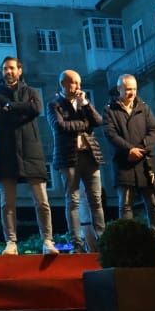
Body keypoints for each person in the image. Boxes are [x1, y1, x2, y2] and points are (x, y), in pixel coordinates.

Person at [0, 56, 56, 255]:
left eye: (11, 68)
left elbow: (36, 108)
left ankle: (48, 241)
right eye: (4, 69)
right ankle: (11, 242)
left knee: (42, 201)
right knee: (7, 202)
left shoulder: (32, 92)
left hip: (31, 151)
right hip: (7, 152)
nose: (8, 72)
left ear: (20, 70)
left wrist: (11, 107)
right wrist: (21, 109)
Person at [50, 69, 106, 252]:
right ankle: (77, 243)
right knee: (72, 200)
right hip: (69, 158)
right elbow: (60, 127)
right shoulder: (55, 104)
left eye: (79, 82)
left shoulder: (84, 103)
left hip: (90, 156)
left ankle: (102, 240)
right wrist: (84, 124)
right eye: (74, 82)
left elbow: (98, 121)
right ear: (63, 84)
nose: (78, 86)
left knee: (96, 199)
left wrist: (86, 105)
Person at [105, 74, 155, 239]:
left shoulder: (144, 107)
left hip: (145, 163)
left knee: (153, 204)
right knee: (125, 205)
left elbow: (154, 131)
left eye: (134, 89)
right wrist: (129, 150)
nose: (132, 93)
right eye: (128, 89)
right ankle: (128, 241)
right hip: (124, 163)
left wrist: (141, 149)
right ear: (119, 89)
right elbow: (111, 134)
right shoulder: (110, 109)